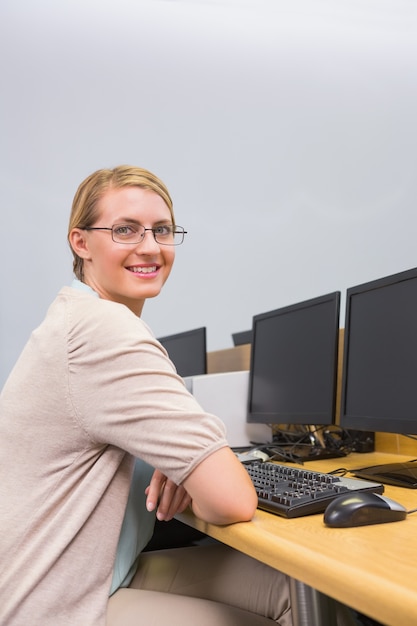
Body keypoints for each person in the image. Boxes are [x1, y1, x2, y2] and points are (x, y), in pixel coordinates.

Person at [0, 165, 292, 626]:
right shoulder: (103, 329)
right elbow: (233, 501)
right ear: (80, 242)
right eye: (125, 230)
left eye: (162, 230)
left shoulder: (75, 316)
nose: (150, 246)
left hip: (86, 577)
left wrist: (172, 458)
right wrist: (192, 466)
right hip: (54, 607)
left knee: (289, 586)